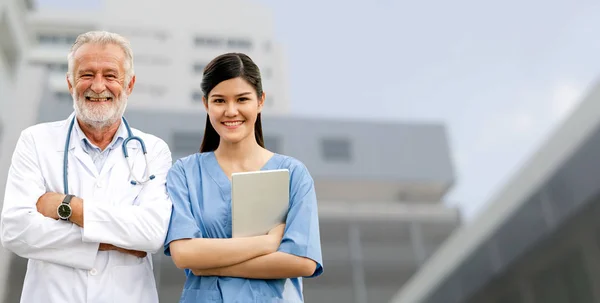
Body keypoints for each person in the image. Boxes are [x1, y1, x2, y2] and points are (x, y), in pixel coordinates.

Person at [0, 30, 173, 303]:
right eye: (87, 74)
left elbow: (152, 235)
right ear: (71, 83)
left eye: (110, 75)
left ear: (129, 84)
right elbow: (16, 230)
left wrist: (68, 207)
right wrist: (115, 241)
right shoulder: (35, 141)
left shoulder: (153, 150)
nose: (98, 86)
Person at [164, 52, 324, 302]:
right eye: (219, 101)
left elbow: (303, 262)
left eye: (242, 99)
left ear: (260, 101)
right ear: (206, 104)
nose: (231, 111)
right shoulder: (184, 173)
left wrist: (210, 265)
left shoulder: (294, 174)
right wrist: (268, 243)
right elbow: (184, 255)